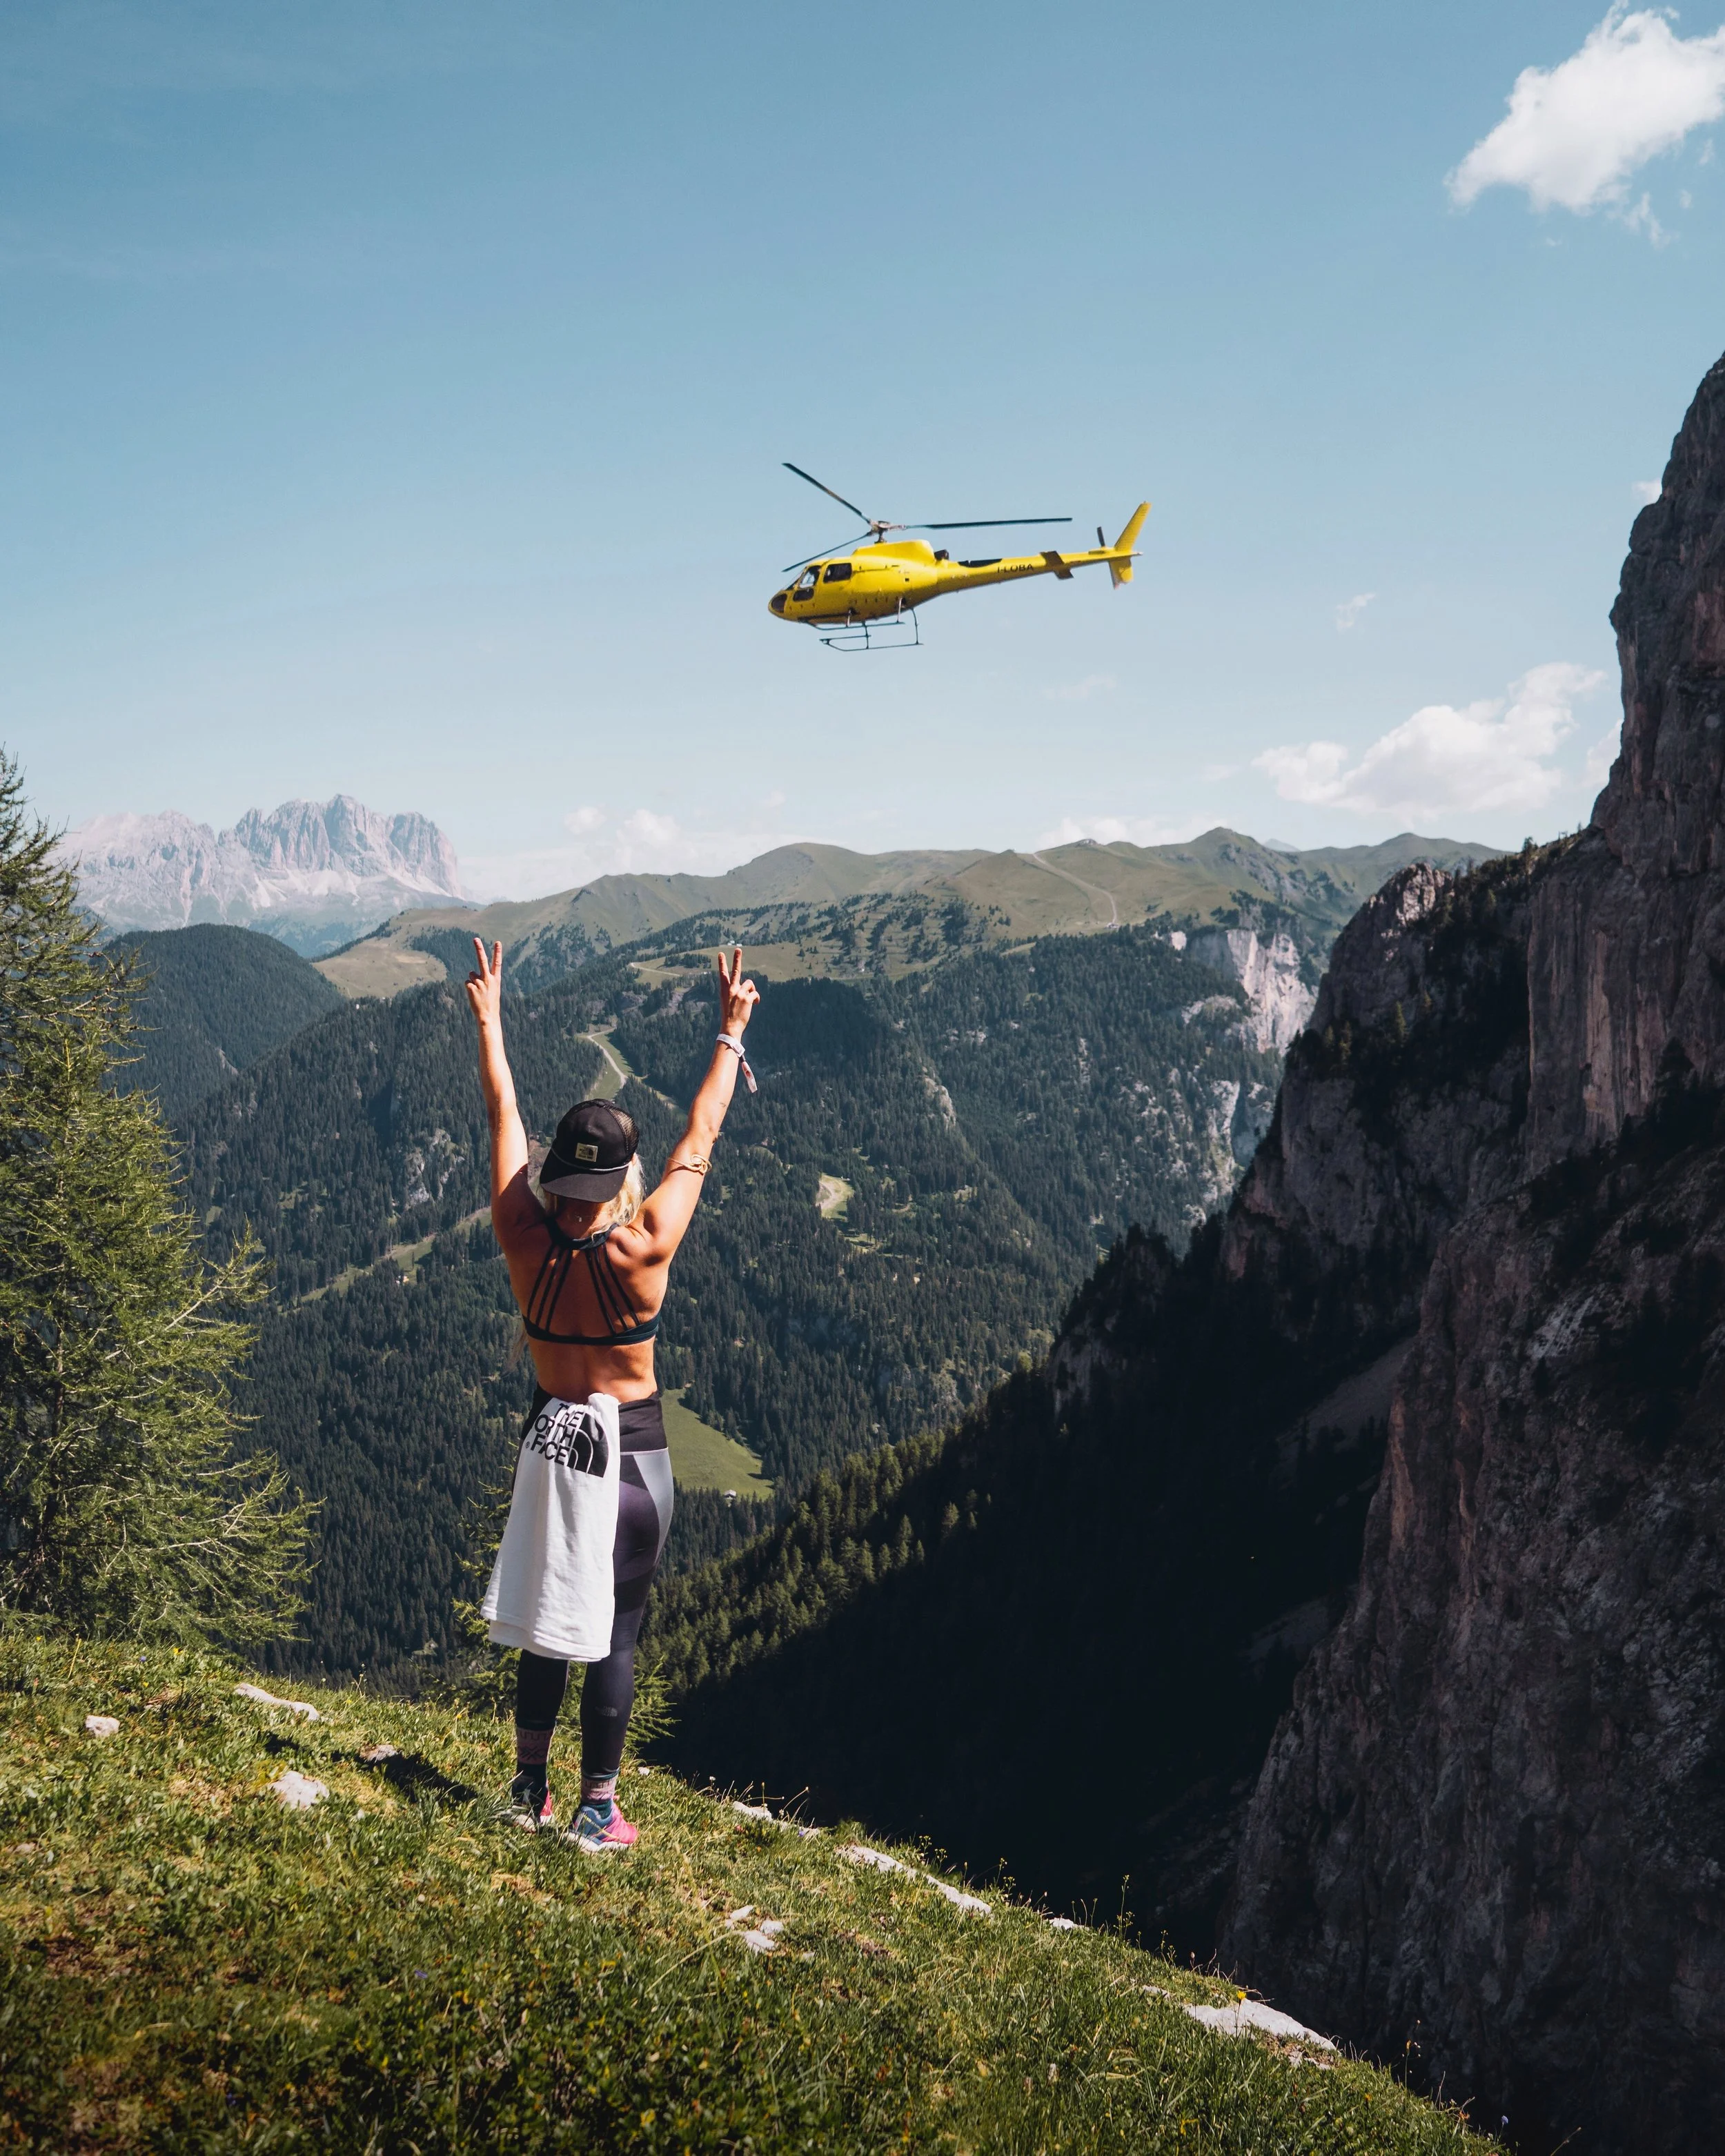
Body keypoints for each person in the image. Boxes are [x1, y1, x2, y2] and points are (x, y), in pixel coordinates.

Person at [465, 936, 758, 1851]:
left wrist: (491, 1020)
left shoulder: (521, 1229)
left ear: (559, 1172)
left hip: (552, 1443)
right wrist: (730, 1036)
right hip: (633, 1462)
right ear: (622, 1177)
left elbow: (501, 1109)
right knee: (617, 1630)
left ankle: (526, 1788)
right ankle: (598, 1808)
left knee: (554, 1620)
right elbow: (699, 1144)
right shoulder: (645, 1249)